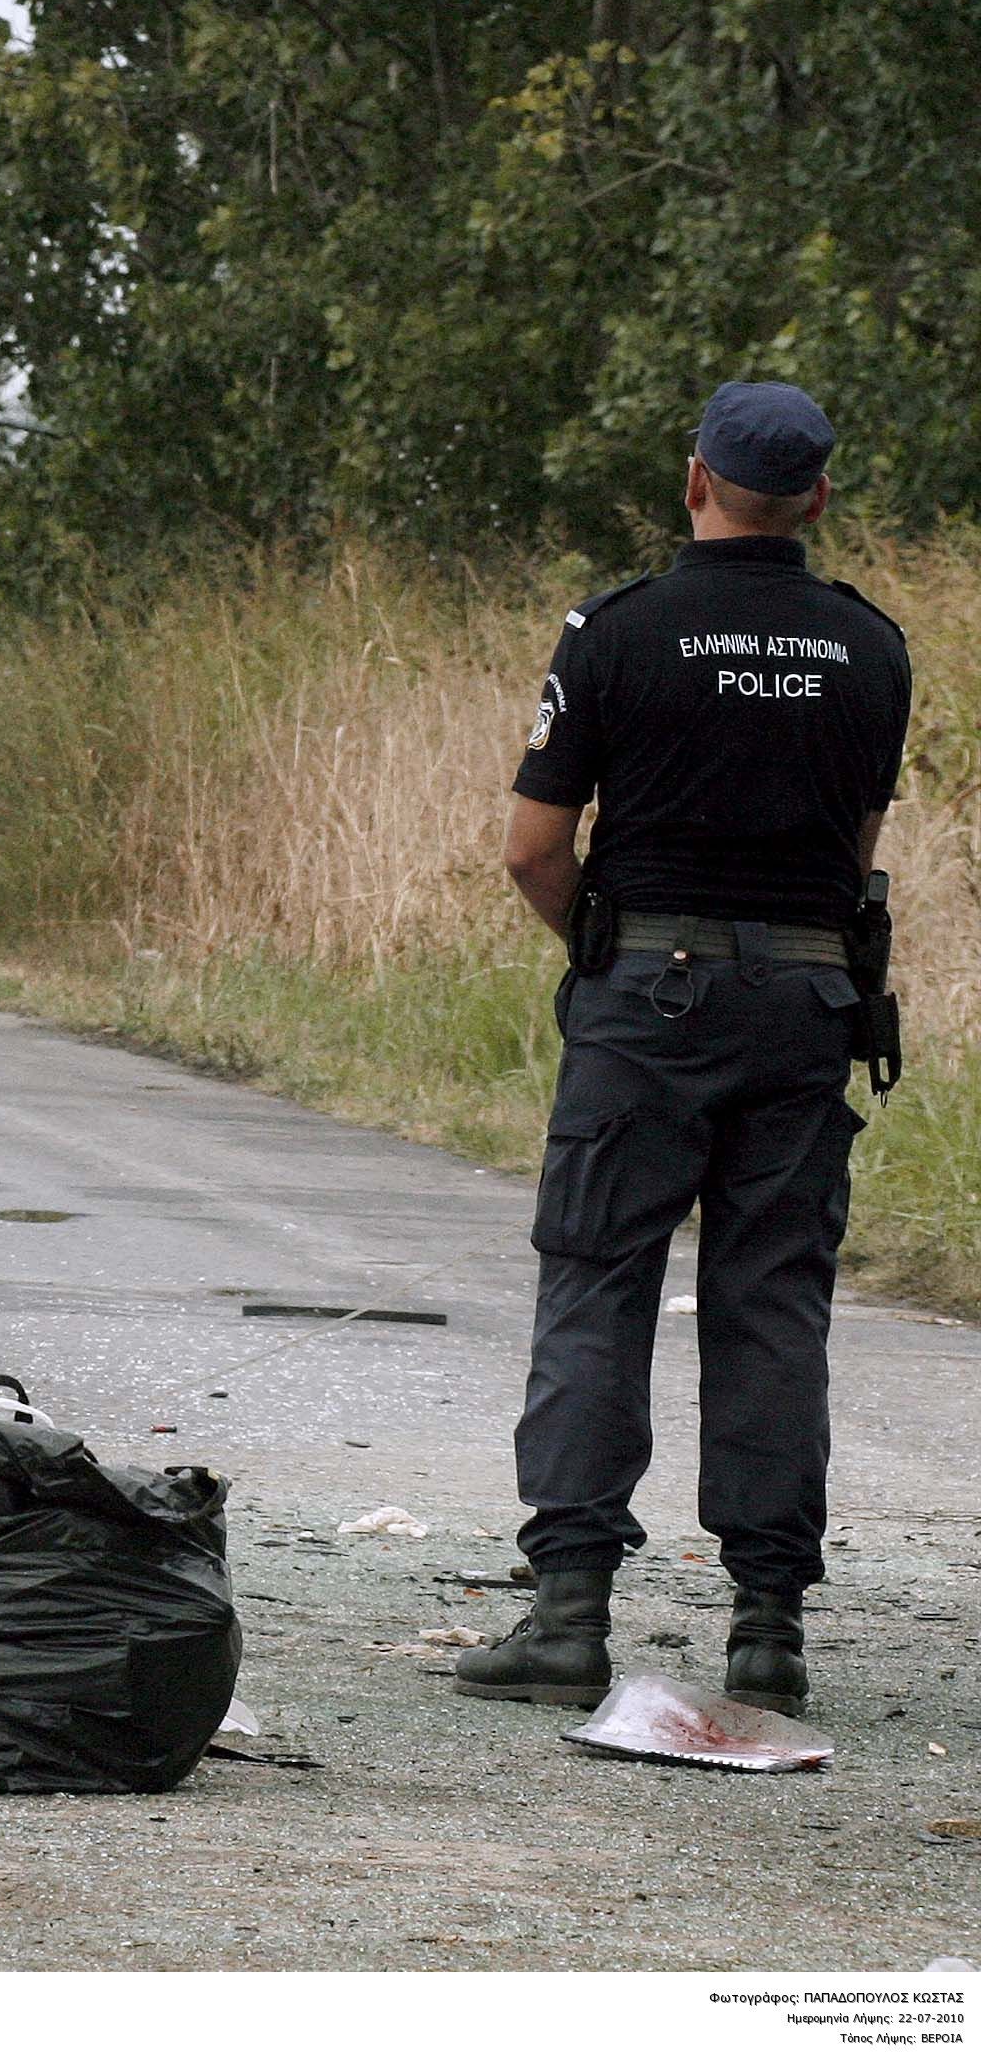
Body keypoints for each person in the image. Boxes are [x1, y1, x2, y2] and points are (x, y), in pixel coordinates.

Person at [460, 380, 910, 1721]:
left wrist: (602, 949)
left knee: (600, 1278)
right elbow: (856, 854)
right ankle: (768, 1628)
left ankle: (569, 1614)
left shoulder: (619, 630)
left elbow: (534, 850)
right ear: (818, 497)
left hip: (645, 992)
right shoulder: (872, 649)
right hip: (808, 1001)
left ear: (695, 475)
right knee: (774, 1302)